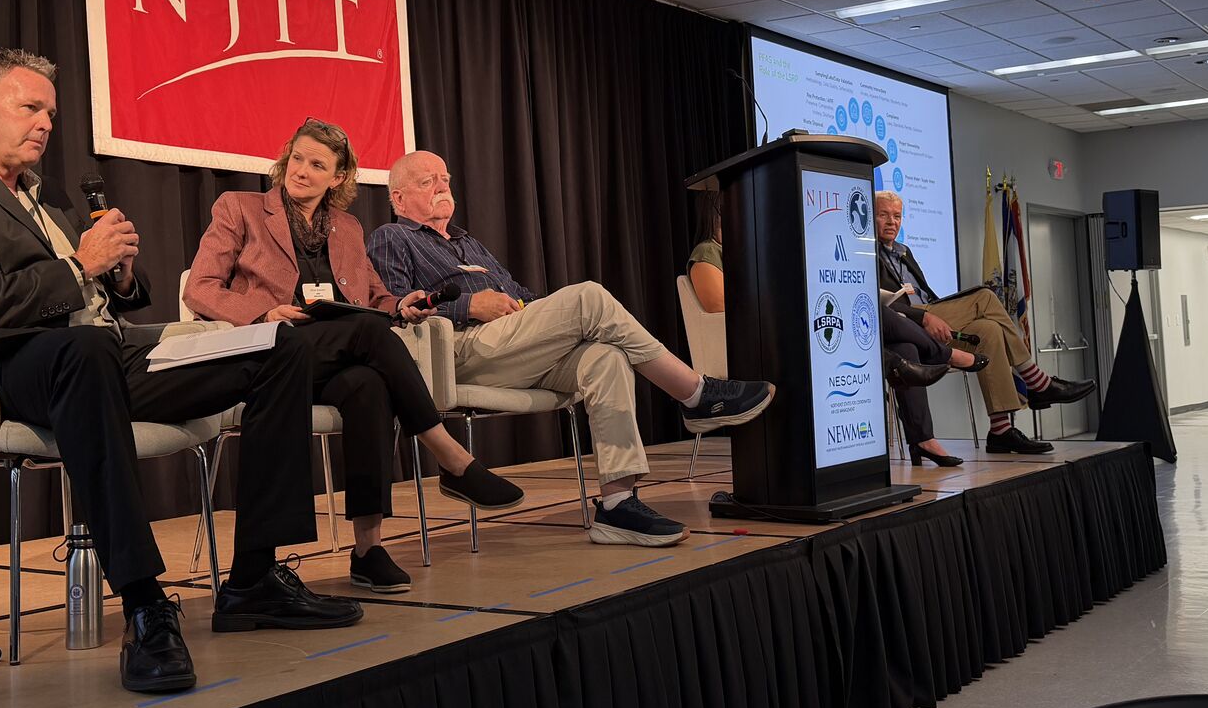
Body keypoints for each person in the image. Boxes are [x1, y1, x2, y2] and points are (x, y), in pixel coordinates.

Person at [0, 49, 360, 696]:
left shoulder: (41, 194)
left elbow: (96, 292)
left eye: (50, 112)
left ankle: (253, 579)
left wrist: (119, 275)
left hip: (104, 350)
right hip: (16, 369)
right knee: (86, 352)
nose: (46, 124)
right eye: (30, 108)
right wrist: (81, 266)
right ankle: (144, 603)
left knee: (276, 345)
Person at [368, 151, 776, 548]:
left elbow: (524, 294)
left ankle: (617, 505)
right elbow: (398, 309)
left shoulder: (467, 241)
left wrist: (529, 310)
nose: (442, 187)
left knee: (607, 357)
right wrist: (469, 304)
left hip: (512, 343)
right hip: (457, 350)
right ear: (399, 198)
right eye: (428, 182)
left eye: (445, 179)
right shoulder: (392, 237)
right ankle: (695, 393)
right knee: (589, 297)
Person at [185, 118, 523, 593]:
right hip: (271, 351)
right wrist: (264, 312)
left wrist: (404, 305)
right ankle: (450, 456)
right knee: (367, 336)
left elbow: (377, 300)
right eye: (297, 157)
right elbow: (200, 289)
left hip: (332, 354)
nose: (301, 170)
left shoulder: (345, 227)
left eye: (317, 164)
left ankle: (368, 550)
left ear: (338, 178)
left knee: (368, 383)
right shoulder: (239, 208)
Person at [683, 198, 975, 468]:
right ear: (722, 214)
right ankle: (940, 354)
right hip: (759, 339)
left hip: (787, 330)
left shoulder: (747, 253)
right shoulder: (708, 251)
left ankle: (922, 438)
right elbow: (718, 305)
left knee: (902, 345)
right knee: (867, 312)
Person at [874, 191, 1095, 455]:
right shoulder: (866, 251)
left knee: (989, 330)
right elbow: (879, 304)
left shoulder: (904, 251)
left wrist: (935, 313)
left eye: (897, 216)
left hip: (932, 315)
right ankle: (1037, 381)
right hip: (907, 321)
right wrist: (925, 316)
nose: (891, 222)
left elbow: (924, 291)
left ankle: (1000, 430)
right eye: (884, 215)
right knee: (985, 297)